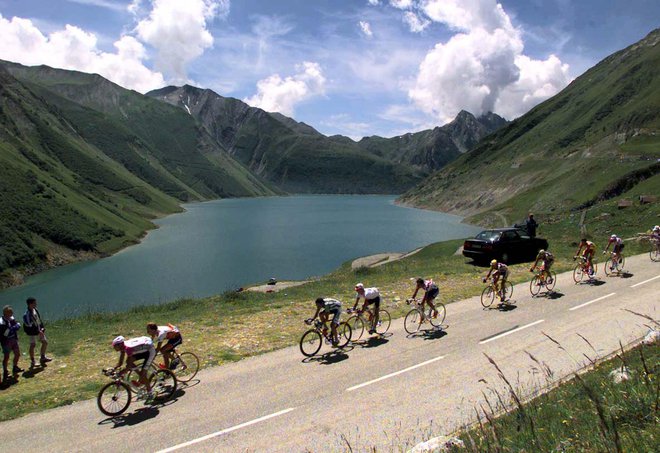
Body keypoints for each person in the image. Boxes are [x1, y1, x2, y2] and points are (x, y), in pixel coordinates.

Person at [23, 297, 52, 368]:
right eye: (34, 303)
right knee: (33, 345)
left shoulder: (35, 310)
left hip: (39, 330)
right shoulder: (26, 314)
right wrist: (38, 331)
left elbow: (39, 320)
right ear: (30, 304)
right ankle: (33, 361)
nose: (36, 304)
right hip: (32, 332)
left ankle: (42, 357)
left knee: (45, 342)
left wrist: (42, 328)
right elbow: (29, 325)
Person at [1, 305, 23, 381]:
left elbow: (15, 326)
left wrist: (15, 327)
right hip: (6, 341)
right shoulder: (2, 322)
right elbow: (6, 333)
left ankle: (15, 367)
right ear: (6, 313)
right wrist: (16, 327)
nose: (12, 313)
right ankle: (5, 372)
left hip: (13, 339)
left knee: (17, 354)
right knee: (6, 357)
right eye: (11, 312)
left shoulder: (11, 318)